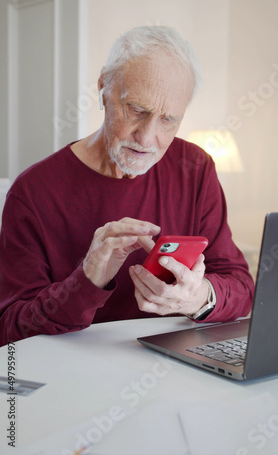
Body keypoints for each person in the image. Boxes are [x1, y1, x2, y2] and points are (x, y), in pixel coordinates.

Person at [0, 26, 254, 347]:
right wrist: (86, 281)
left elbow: (242, 287)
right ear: (104, 87)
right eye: (136, 110)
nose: (147, 138)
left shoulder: (196, 167)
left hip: (175, 367)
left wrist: (199, 298)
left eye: (168, 120)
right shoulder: (33, 191)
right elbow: (9, 329)